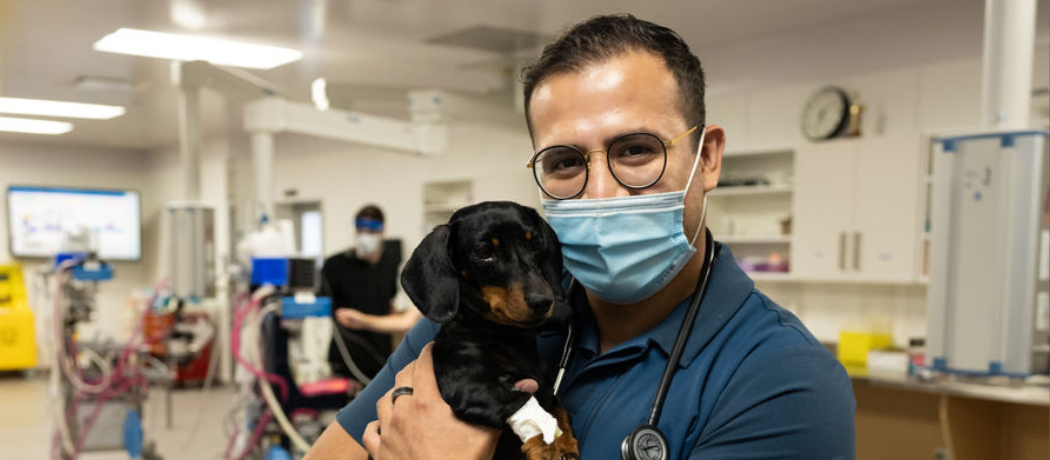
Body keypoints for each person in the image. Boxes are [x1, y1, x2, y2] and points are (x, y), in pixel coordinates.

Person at [306, 14, 855, 459]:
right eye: (566, 161)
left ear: (707, 159)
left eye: (636, 149)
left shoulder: (782, 380)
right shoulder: (479, 312)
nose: (600, 191)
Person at [320, 205, 417, 381]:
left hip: (380, 357)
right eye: (361, 230)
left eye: (371, 231)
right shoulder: (334, 266)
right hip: (346, 358)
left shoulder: (390, 264)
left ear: (383, 232)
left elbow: (392, 308)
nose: (365, 236)